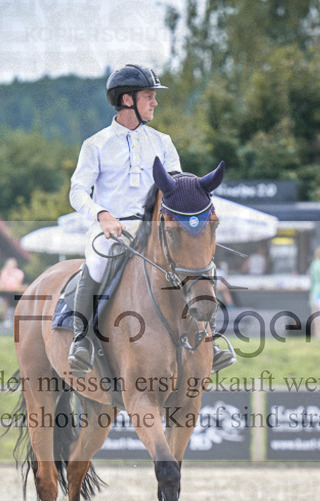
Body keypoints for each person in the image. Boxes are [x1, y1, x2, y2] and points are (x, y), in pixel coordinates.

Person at [67, 64, 234, 376]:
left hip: (154, 228)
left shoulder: (162, 141)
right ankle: (83, 340)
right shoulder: (95, 144)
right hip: (110, 229)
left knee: (198, 263)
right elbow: (77, 192)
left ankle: (212, 338)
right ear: (127, 100)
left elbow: (178, 188)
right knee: (97, 264)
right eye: (148, 96)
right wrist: (102, 215)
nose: (154, 102)